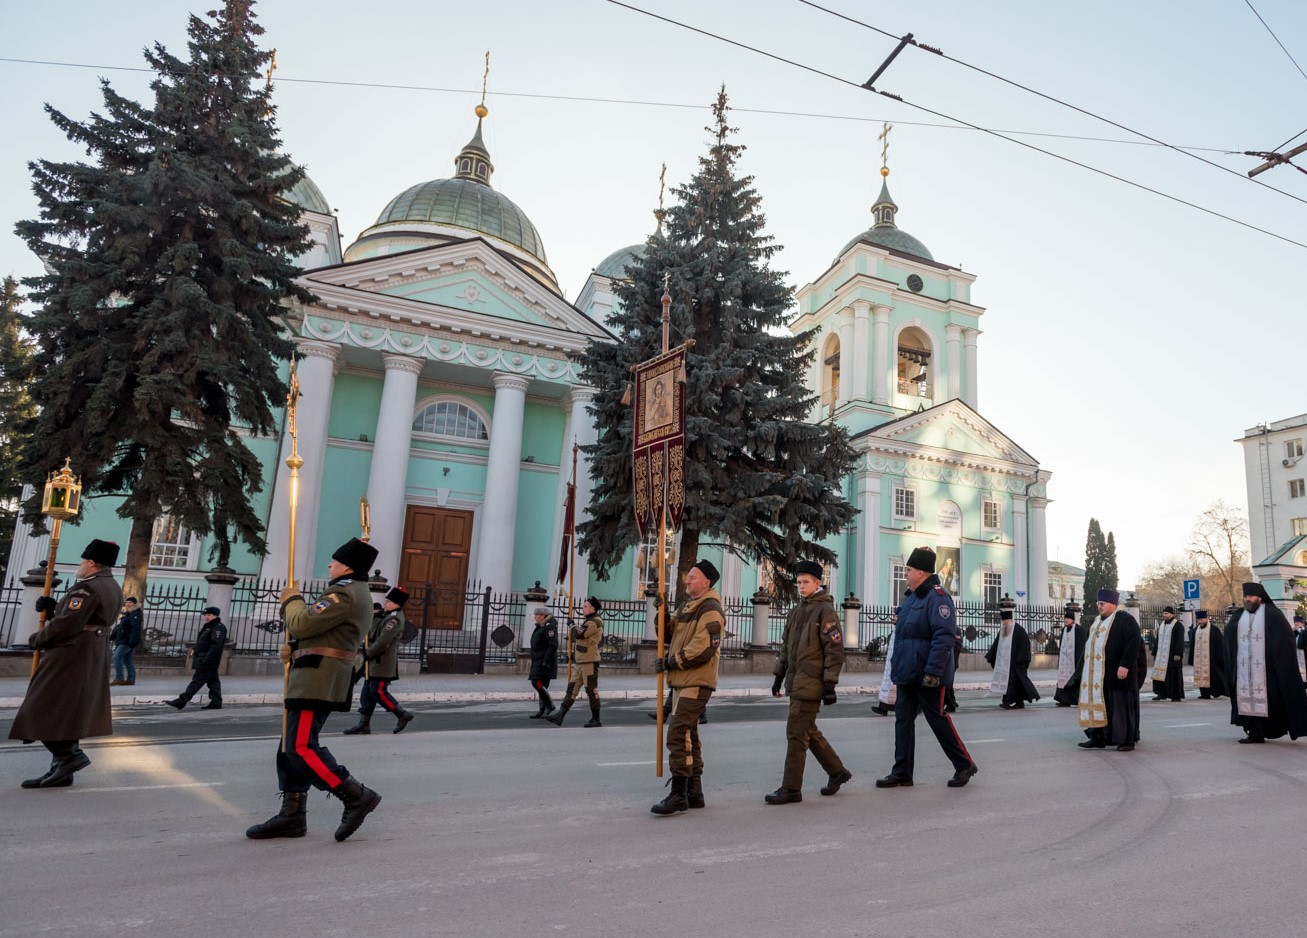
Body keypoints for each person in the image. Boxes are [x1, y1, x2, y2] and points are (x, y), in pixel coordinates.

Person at [246, 537, 383, 842]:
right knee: (290, 747)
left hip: (317, 680)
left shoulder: (343, 594)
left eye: (333, 561)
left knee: (302, 748)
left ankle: (355, 794)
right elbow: (318, 635)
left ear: (347, 566)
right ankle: (292, 814)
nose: (329, 565)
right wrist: (295, 650)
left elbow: (304, 624)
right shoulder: (349, 592)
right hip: (312, 675)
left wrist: (291, 600)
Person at [11, 539, 122, 789]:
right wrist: (54, 610)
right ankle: (61, 770)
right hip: (90, 652)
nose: (80, 566)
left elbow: (67, 625)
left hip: (71, 653)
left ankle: (69, 757)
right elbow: (82, 617)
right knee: (68, 712)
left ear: (92, 563)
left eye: (83, 561)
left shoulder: (88, 588)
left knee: (40, 707)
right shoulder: (112, 585)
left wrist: (37, 639)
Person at [876, 547, 977, 789]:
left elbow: (944, 637)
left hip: (927, 673)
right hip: (908, 672)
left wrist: (933, 672)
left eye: (909, 570)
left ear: (921, 571)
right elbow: (906, 635)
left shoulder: (938, 597)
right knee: (903, 721)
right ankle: (902, 771)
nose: (906, 574)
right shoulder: (911, 598)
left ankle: (964, 764)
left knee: (936, 719)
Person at [764, 560, 850, 805]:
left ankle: (791, 788)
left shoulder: (825, 612)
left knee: (796, 734)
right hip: (796, 680)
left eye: (806, 582)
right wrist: (779, 675)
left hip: (812, 683)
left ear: (817, 583)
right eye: (799, 582)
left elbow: (835, 651)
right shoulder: (797, 611)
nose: (801, 586)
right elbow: (786, 647)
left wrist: (830, 684)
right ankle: (837, 772)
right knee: (806, 731)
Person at [650, 560, 724, 815]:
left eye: (692, 577)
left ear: (706, 582)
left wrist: (671, 662)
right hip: (682, 681)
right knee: (689, 736)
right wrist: (662, 612)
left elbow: (703, 648)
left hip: (697, 680)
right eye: (688, 576)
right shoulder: (687, 606)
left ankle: (678, 795)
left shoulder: (711, 609)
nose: (687, 580)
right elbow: (668, 635)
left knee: (678, 733)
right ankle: (694, 792)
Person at [1223, 582, 1307, 744]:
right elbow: (1229, 635)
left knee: (1270, 701)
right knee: (1246, 699)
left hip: (1267, 671)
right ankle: (1254, 732)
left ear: (1260, 598)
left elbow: (1284, 639)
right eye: (1245, 597)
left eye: (1251, 597)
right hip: (1244, 672)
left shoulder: (1272, 614)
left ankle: (1268, 729)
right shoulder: (1240, 615)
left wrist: (1272, 656)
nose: (1248, 600)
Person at [1077, 588, 1143, 752]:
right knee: (1102, 707)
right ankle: (1098, 737)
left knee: (1121, 708)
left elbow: (1134, 643)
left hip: (1119, 674)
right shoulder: (1097, 621)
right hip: (1099, 677)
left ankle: (1126, 740)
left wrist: (1125, 665)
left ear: (1113, 604)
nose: (1099, 606)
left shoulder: (1125, 619)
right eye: (1098, 603)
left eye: (1102, 603)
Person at [343, 587, 415, 734]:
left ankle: (402, 714)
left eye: (388, 601)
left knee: (378, 691)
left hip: (381, 662)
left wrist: (367, 655)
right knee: (367, 693)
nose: (385, 604)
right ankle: (364, 723)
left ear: (396, 604)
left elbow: (383, 641)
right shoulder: (387, 615)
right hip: (374, 662)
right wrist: (375, 614)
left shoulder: (394, 619)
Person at [546, 596, 604, 727]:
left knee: (591, 690)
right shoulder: (588, 621)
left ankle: (596, 719)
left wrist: (572, 625)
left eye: (585, 606)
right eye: (583, 606)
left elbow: (579, 634)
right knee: (571, 689)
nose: (583, 608)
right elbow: (582, 641)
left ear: (593, 608)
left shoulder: (595, 622)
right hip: (581, 661)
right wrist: (573, 655)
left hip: (589, 661)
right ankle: (560, 715)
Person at [165, 607, 227, 710]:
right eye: (206, 615)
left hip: (208, 660)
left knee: (197, 680)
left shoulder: (217, 627)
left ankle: (182, 700)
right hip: (204, 659)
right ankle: (216, 702)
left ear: (216, 616)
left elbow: (216, 646)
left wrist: (207, 660)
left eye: (209, 615)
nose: (206, 617)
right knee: (213, 681)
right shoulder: (209, 626)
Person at [985, 608, 1040, 709]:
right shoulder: (1003, 630)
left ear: (1009, 620)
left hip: (1016, 663)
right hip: (1006, 663)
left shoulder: (1019, 630)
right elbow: (997, 644)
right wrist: (991, 656)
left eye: (1004, 621)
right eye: (1002, 621)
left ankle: (1008, 702)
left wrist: (1020, 660)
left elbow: (1025, 645)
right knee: (1012, 683)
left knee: (1014, 683)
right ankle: (1017, 702)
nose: (1003, 623)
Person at [1187, 610, 1228, 699]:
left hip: (1212, 659)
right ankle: (1204, 694)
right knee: (1201, 676)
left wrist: (1221, 658)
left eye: (1202, 619)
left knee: (1214, 677)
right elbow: (1192, 645)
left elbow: (1220, 644)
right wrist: (1191, 659)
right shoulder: (1195, 631)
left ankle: (1214, 692)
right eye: (1199, 620)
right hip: (1199, 660)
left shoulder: (1214, 630)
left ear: (1206, 619)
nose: (1200, 621)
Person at [527, 605, 559, 719]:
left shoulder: (549, 627)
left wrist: (546, 662)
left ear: (543, 616)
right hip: (538, 660)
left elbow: (553, 645)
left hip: (544, 661)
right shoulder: (541, 626)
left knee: (537, 682)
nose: (535, 617)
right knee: (541, 684)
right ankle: (543, 709)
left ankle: (549, 705)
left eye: (537, 615)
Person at [1149, 606, 1185, 701]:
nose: (1165, 615)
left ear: (1172, 614)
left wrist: (1178, 654)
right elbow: (1158, 639)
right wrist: (1155, 652)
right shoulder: (1162, 625)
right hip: (1161, 656)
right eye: (1164, 613)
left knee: (1173, 676)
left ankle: (1175, 696)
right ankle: (1161, 693)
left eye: (1167, 613)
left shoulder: (1178, 625)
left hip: (1172, 656)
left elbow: (1180, 641)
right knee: (1160, 676)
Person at [1053, 610, 1087, 707]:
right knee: (1062, 679)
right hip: (1065, 660)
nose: (1066, 620)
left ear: (1073, 620)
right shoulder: (1064, 629)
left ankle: (1074, 700)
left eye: (1068, 619)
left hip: (1074, 661)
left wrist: (1079, 660)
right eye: (1065, 619)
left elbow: (1082, 646)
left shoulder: (1079, 630)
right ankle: (1063, 700)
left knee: (1073, 680)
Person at [109, 597, 143, 686]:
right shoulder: (128, 613)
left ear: (134, 604)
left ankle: (119, 678)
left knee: (116, 658)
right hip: (124, 640)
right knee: (127, 660)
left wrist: (132, 641)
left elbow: (135, 628)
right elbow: (120, 627)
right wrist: (113, 636)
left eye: (130, 602)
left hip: (127, 641)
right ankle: (131, 679)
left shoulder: (135, 613)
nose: (127, 604)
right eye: (126, 602)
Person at [943, 628, 963, 713]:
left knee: (946, 684)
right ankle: (952, 702)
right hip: (949, 663)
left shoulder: (955, 630)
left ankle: (951, 704)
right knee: (948, 684)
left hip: (949, 663)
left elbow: (956, 648)